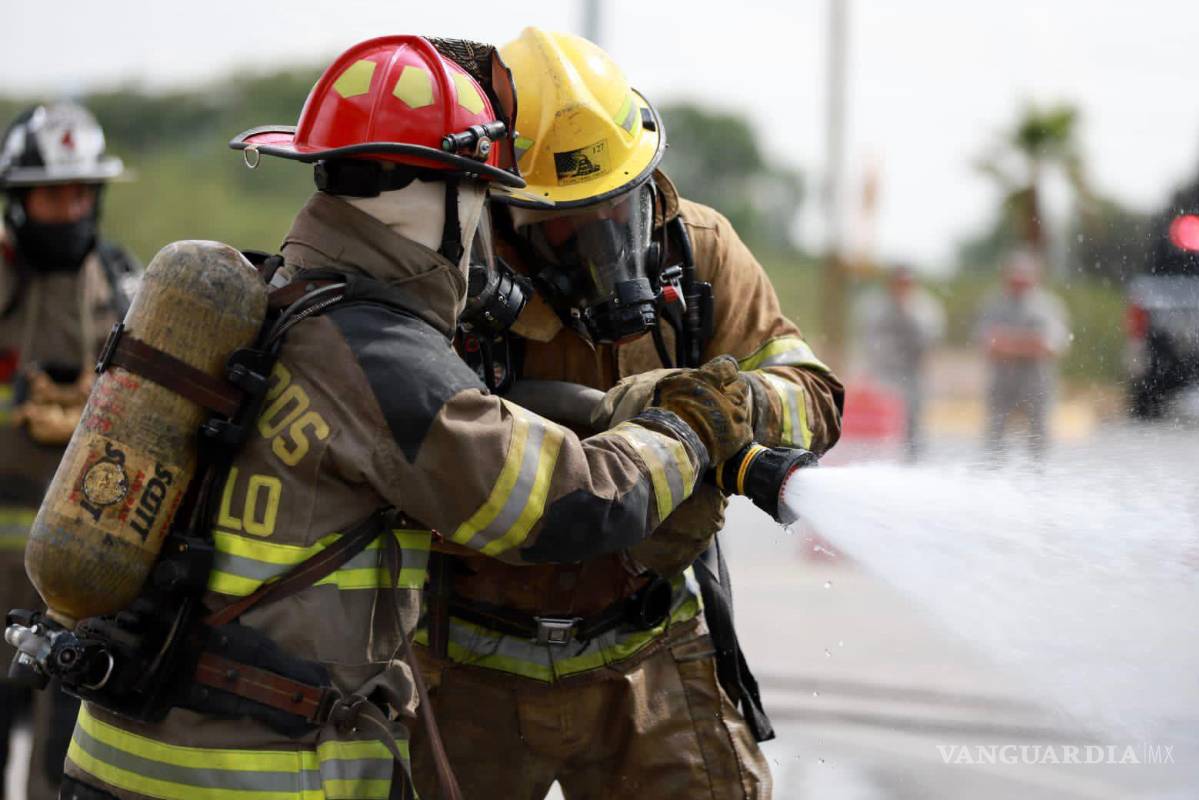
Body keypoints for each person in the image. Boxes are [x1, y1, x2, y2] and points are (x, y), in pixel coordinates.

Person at [58, 35, 753, 800]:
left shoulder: (269, 305)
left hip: (119, 757)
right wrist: (688, 430)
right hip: (258, 778)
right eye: (482, 198)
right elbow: (568, 506)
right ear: (446, 202)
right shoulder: (380, 359)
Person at [410, 28, 844, 800]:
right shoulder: (442, 276)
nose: (605, 238)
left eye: (619, 204)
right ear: (504, 205)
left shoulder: (699, 248)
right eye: (568, 220)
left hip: (648, 654)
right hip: (465, 671)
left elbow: (812, 392)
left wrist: (733, 409)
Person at [0, 101, 139, 800]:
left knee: (61, 763)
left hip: (73, 590)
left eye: (82, 191)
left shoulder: (122, 286)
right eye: (55, 193)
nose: (71, 208)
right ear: (19, 201)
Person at [976, 251, 1070, 460]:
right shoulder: (992, 305)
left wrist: (1008, 342)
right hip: (1002, 383)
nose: (1019, 280)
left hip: (1036, 383)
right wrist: (1029, 342)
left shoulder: (1049, 306)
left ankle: (1037, 484)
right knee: (995, 438)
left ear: (1036, 276)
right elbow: (988, 344)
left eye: (1025, 274)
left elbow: (1051, 346)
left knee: (1039, 439)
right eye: (1015, 274)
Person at [856, 265, 945, 459]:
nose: (901, 288)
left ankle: (913, 462)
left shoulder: (924, 307)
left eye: (906, 284)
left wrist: (907, 311)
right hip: (884, 374)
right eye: (898, 283)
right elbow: (869, 341)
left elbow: (929, 341)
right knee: (884, 424)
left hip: (913, 374)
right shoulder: (875, 306)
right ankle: (883, 461)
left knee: (913, 423)